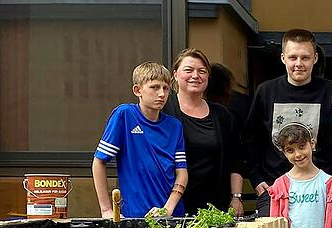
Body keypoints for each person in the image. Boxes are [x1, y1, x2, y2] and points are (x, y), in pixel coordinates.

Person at [244, 29, 332, 216]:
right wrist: (256, 178)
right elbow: (251, 139)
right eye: (293, 57)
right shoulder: (266, 91)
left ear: (315, 58)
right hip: (274, 188)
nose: (299, 64)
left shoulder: (330, 91)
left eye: (305, 57)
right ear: (283, 58)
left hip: (319, 189)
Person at [92, 62, 187, 219]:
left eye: (166, 88)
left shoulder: (175, 126)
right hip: (135, 216)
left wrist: (167, 209)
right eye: (154, 87)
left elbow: (182, 172)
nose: (162, 94)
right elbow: (99, 162)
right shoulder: (125, 115)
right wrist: (106, 210)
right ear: (137, 90)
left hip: (173, 216)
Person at [164, 48, 245, 217]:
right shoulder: (163, 109)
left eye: (202, 71)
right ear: (175, 74)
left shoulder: (223, 115)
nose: (195, 76)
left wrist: (236, 197)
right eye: (188, 70)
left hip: (215, 207)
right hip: (170, 205)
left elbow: (235, 160)